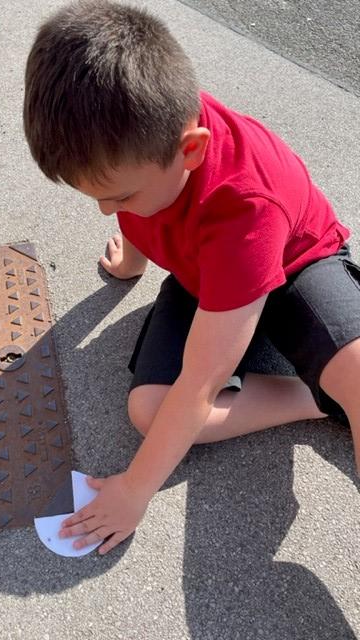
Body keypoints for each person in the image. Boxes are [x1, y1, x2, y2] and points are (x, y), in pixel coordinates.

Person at [23, 0, 360, 554]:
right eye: (96, 198)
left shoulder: (247, 205)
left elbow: (203, 381)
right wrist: (131, 263)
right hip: (204, 280)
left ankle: (339, 387)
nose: (107, 211)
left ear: (192, 150)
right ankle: (316, 397)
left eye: (119, 197)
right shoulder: (144, 140)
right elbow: (136, 210)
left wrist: (134, 489)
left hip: (298, 266)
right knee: (149, 411)